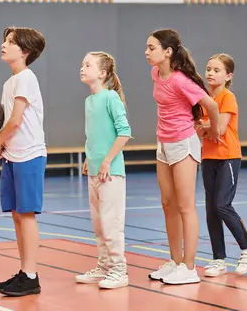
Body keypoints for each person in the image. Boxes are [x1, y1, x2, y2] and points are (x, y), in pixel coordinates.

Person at [0, 27, 46, 297]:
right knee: (16, 215)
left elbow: (16, 121)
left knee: (26, 215)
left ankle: (31, 275)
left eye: (11, 42)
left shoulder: (26, 78)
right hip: (13, 156)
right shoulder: (9, 82)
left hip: (29, 155)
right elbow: (6, 124)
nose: (4, 45)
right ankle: (25, 272)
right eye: (4, 40)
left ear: (25, 51)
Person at [144, 28, 220, 285]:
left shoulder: (180, 80)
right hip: (163, 144)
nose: (146, 52)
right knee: (168, 203)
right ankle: (175, 262)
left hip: (184, 144)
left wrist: (214, 130)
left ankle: (189, 267)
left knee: (186, 206)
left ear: (168, 52)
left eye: (151, 47)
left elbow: (211, 105)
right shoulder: (156, 73)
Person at [196, 53, 247, 277]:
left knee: (222, 205)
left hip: (228, 157)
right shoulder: (204, 99)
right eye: (208, 69)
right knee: (211, 210)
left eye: (216, 70)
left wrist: (206, 126)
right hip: (208, 158)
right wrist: (206, 126)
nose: (210, 73)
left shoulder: (227, 97)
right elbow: (198, 129)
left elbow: (220, 129)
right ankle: (218, 259)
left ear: (228, 75)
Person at [75, 52, 132, 289]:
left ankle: (119, 270)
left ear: (102, 73)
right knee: (98, 225)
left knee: (111, 225)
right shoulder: (89, 101)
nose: (82, 67)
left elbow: (124, 132)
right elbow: (94, 135)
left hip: (111, 172)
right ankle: (104, 266)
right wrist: (90, 158)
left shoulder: (110, 98)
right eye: (82, 63)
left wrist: (107, 160)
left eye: (88, 64)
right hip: (94, 171)